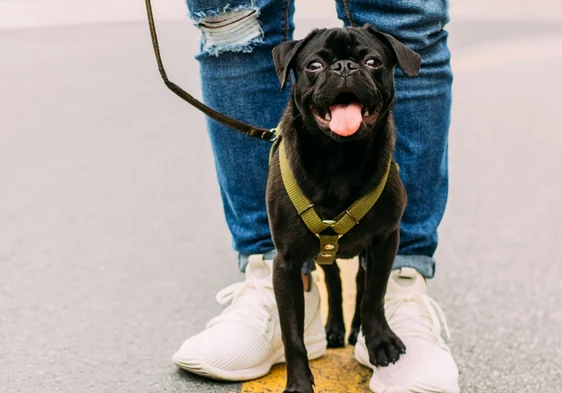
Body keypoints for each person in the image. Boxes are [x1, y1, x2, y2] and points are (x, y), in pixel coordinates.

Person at [172, 0, 459, 392]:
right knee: (231, 19)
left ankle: (393, 294)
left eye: (371, 63)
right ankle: (270, 281)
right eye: (316, 66)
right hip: (299, 181)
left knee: (406, 14)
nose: (343, 72)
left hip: (374, 188)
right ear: (291, 73)